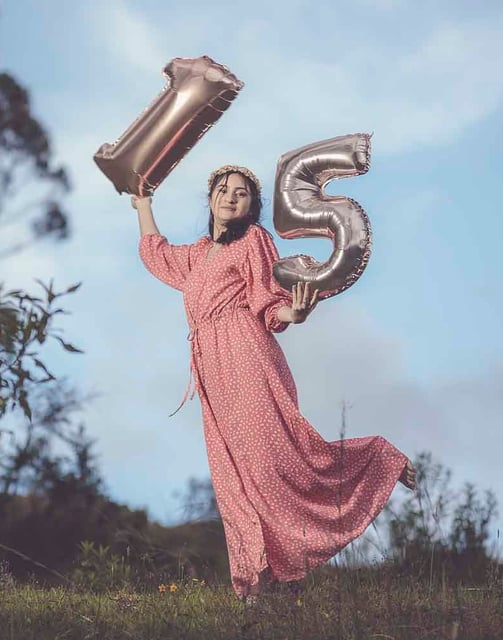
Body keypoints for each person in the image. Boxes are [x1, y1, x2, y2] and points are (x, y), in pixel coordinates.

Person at [133, 165, 416, 604]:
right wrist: (143, 204)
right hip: (212, 373)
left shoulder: (253, 242)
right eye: (223, 190)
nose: (230, 198)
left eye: (241, 194)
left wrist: (295, 314)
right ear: (210, 198)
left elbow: (268, 305)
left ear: (252, 206)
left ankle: (378, 460)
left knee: (275, 464)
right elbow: (156, 252)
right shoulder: (198, 256)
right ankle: (259, 583)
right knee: (234, 481)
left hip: (247, 359)